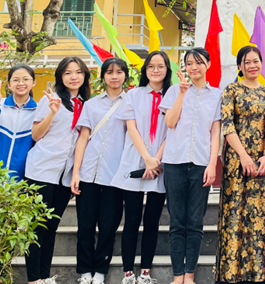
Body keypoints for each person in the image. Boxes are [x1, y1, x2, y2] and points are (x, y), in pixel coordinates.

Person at [24, 56, 91, 284]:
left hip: (65, 175)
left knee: (52, 227)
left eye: (78, 72)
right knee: (37, 227)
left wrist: (76, 173)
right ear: (61, 76)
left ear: (85, 75)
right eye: (68, 72)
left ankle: (44, 276)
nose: (74, 77)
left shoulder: (85, 104)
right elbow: (35, 135)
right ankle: (34, 279)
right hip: (41, 170)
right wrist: (53, 112)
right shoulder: (51, 100)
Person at [214, 46, 265, 284]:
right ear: (240, 66)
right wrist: (243, 155)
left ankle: (259, 275)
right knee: (234, 213)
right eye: (247, 62)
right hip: (236, 162)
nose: (252, 65)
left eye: (255, 61)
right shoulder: (231, 90)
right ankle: (231, 274)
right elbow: (227, 124)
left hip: (262, 163)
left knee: (260, 216)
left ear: (261, 63)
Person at [160, 48, 221, 284]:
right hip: (174, 162)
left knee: (195, 222)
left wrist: (212, 164)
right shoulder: (175, 90)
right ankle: (177, 276)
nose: (193, 67)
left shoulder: (216, 95)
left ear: (208, 64)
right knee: (177, 222)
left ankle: (190, 274)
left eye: (198, 62)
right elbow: (170, 122)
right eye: (188, 63)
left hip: (201, 164)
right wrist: (182, 94)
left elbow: (215, 132)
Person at [110, 51, 172, 284]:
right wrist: (146, 158)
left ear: (167, 70)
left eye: (160, 66)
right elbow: (131, 128)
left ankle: (145, 272)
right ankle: (128, 273)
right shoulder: (133, 95)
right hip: (134, 161)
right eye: (151, 66)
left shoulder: (173, 95)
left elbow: (172, 130)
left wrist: (156, 160)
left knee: (152, 221)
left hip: (159, 165)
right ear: (145, 70)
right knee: (132, 220)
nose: (155, 70)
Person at [70, 57, 129, 284]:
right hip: (88, 173)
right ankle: (85, 272)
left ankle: (100, 272)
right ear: (103, 76)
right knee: (85, 226)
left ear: (125, 75)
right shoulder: (91, 104)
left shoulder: (130, 103)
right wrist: (76, 172)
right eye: (109, 72)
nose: (114, 76)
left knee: (108, 226)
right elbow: (83, 138)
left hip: (115, 176)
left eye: (119, 72)